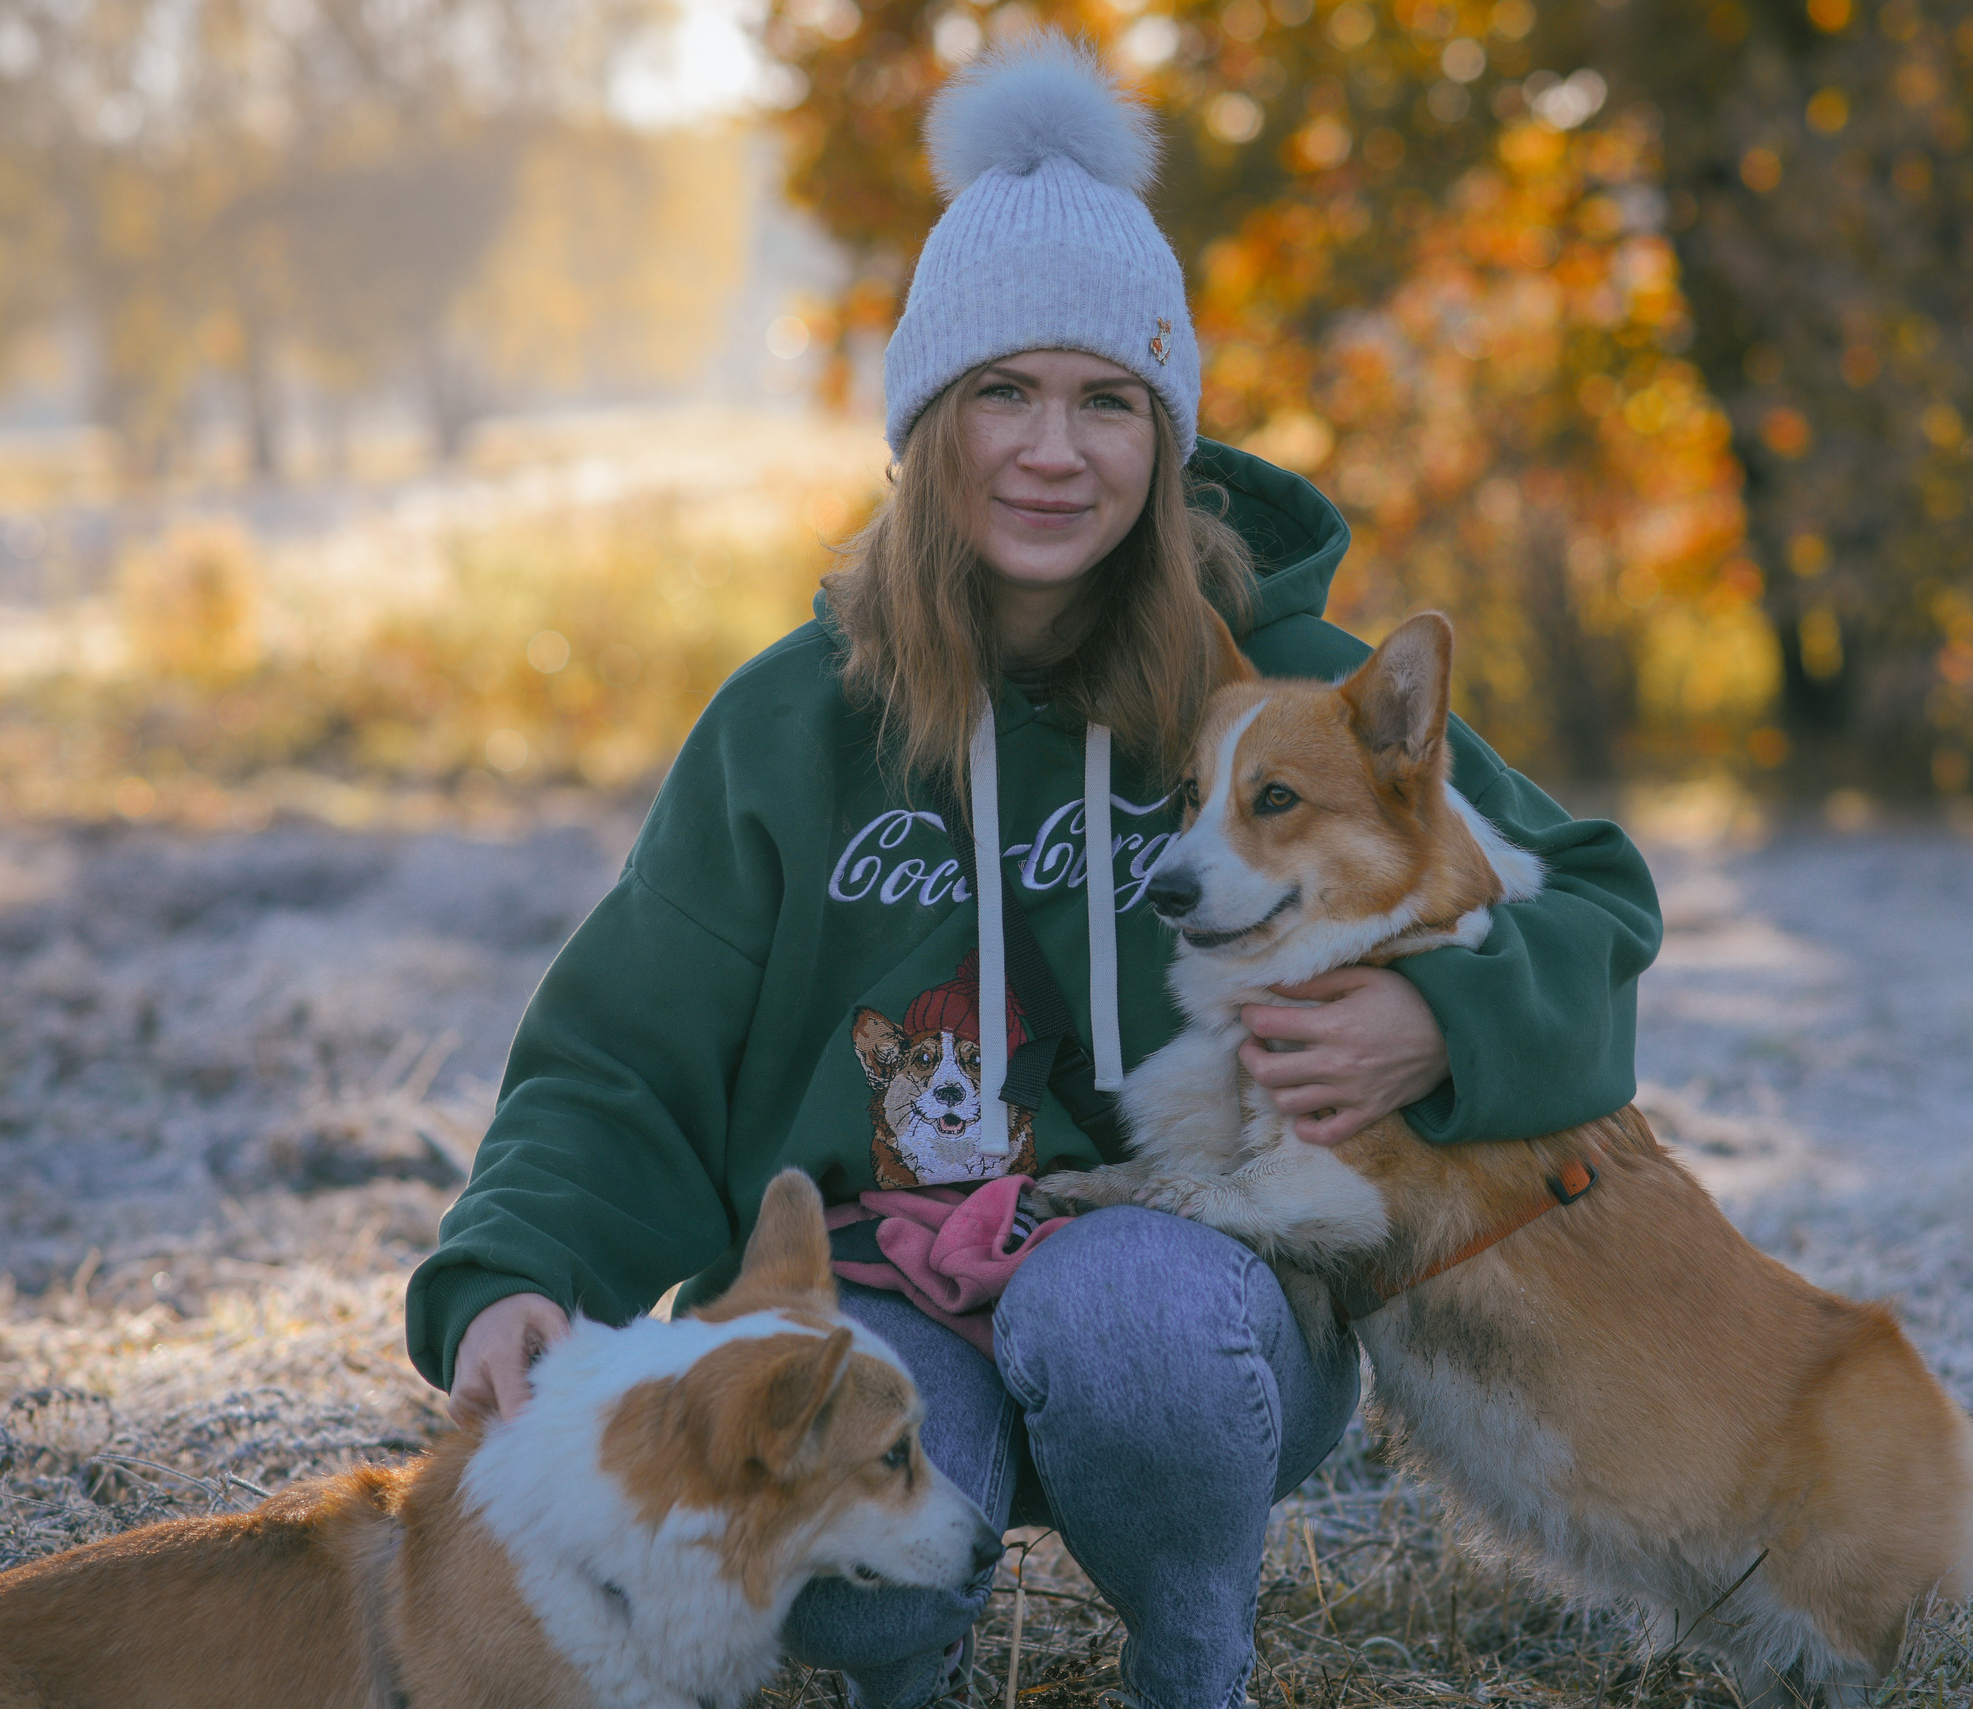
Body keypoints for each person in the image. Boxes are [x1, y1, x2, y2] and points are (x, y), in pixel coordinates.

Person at [405, 37, 1661, 1709]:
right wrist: (510, 1274)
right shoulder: (795, 720)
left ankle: (1193, 1662)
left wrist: (1440, 1020)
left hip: (1191, 1297)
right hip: (881, 1279)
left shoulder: (1274, 685)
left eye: (1105, 400)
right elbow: (626, 1048)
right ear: (928, 424)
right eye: (1002, 392)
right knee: (829, 1493)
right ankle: (894, 1669)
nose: (1052, 450)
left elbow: (1595, 900)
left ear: (1164, 432)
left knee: (1129, 1321)